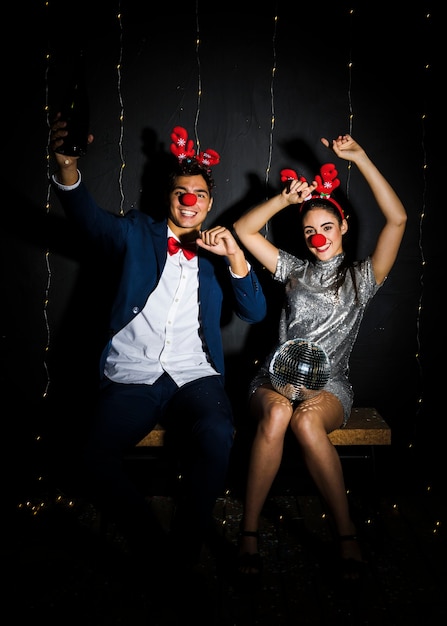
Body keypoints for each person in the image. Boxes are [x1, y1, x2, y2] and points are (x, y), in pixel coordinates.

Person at [48, 118, 267, 571]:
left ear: (209, 202)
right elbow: (88, 221)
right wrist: (67, 168)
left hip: (194, 375)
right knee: (91, 457)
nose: (190, 202)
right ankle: (156, 551)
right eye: (181, 194)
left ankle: (183, 551)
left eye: (200, 195)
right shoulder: (136, 233)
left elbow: (254, 314)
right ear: (169, 198)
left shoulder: (216, 249)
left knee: (217, 434)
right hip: (133, 375)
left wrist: (236, 257)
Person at [233, 133, 407, 581]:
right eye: (309, 230)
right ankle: (249, 532)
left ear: (343, 226)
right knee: (275, 417)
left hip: (329, 386)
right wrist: (284, 198)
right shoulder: (292, 269)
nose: (317, 237)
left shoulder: (362, 279)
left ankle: (345, 534)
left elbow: (398, 219)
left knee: (306, 421)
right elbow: (244, 231)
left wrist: (362, 157)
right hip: (274, 378)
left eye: (326, 227)